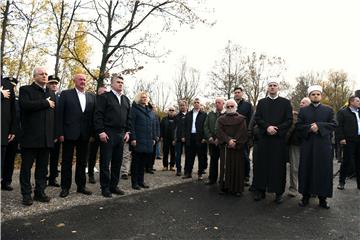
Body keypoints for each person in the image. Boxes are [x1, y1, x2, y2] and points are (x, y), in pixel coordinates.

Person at [19, 67, 56, 206]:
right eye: (41, 74)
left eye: (46, 74)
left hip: (46, 138)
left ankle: (40, 193)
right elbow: (25, 105)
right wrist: (45, 103)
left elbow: (54, 116)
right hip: (30, 137)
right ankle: (26, 195)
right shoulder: (25, 90)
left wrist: (54, 134)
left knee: (42, 168)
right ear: (34, 77)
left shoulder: (51, 92)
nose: (45, 76)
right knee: (26, 168)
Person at [296, 85, 337, 209]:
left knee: (323, 171)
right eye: (313, 94)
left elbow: (334, 124)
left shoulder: (329, 110)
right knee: (306, 170)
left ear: (321, 96)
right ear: (309, 96)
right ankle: (305, 197)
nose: (315, 96)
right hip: (308, 145)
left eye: (318, 94)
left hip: (323, 146)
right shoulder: (303, 111)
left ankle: (323, 199)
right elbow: (298, 126)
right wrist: (309, 128)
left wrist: (319, 126)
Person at [253, 80, 292, 204]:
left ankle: (278, 193)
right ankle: (260, 191)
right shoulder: (261, 102)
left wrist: (277, 129)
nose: (272, 87)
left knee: (278, 166)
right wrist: (267, 127)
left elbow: (289, 120)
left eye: (274, 85)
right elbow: (257, 118)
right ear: (267, 88)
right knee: (261, 165)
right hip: (264, 139)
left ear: (278, 88)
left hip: (278, 140)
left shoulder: (286, 103)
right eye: (270, 86)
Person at [58, 73, 96, 198]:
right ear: (74, 81)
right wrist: (60, 133)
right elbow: (60, 114)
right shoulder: (66, 94)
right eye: (80, 79)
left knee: (82, 162)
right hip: (69, 133)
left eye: (84, 79)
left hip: (85, 135)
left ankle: (81, 186)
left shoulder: (92, 96)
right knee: (67, 162)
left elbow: (93, 117)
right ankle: (65, 187)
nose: (83, 81)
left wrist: (92, 134)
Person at [94, 76, 131, 198]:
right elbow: (98, 115)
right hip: (108, 133)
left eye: (122, 82)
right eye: (118, 82)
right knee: (105, 162)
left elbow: (128, 118)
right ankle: (105, 187)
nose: (120, 84)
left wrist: (128, 132)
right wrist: (101, 131)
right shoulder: (104, 97)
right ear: (112, 84)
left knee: (117, 162)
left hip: (121, 134)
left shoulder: (126, 100)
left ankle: (114, 186)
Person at [217, 99, 248, 196]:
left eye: (232, 106)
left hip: (237, 147)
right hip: (225, 147)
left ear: (235, 107)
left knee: (237, 168)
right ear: (225, 108)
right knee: (225, 167)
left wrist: (235, 141)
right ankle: (224, 187)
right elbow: (219, 131)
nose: (230, 108)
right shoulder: (221, 119)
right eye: (228, 107)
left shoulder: (241, 119)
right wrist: (228, 140)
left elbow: (242, 131)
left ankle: (237, 189)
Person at [129, 91, 155, 190]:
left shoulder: (149, 110)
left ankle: (141, 181)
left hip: (147, 140)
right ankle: (134, 183)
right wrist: (133, 138)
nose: (144, 98)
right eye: (142, 97)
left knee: (143, 163)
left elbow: (151, 126)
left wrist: (152, 138)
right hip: (138, 140)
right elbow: (131, 125)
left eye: (145, 97)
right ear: (139, 98)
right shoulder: (134, 109)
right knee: (136, 162)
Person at [286, 97, 311, 197]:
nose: (301, 104)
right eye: (300, 102)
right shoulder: (295, 116)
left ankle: (310, 189)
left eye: (304, 103)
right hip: (295, 144)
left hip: (309, 145)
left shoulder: (313, 115)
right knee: (294, 167)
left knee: (309, 167)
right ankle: (293, 188)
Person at [336, 96, 360, 190]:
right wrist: (341, 138)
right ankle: (341, 182)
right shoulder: (343, 112)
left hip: (359, 140)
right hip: (349, 140)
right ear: (351, 102)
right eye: (358, 101)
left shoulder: (359, 112)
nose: (359, 103)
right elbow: (339, 126)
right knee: (346, 161)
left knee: (359, 162)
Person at [182, 98, 208, 180]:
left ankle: (200, 173)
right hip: (190, 137)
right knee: (189, 156)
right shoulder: (188, 114)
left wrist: (205, 137)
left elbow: (206, 127)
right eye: (195, 102)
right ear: (193, 104)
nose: (196, 104)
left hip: (200, 138)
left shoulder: (204, 114)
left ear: (200, 104)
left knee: (201, 156)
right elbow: (184, 126)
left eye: (198, 102)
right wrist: (183, 136)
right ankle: (188, 173)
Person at [87, 85, 107, 184]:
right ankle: (90, 174)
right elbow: (91, 119)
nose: (105, 94)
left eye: (106, 92)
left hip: (106, 133)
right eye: (103, 92)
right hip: (94, 134)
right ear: (98, 93)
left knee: (105, 155)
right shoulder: (94, 102)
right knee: (92, 155)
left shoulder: (108, 102)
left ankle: (104, 175)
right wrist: (91, 134)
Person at [234, 87, 253, 185]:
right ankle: (236, 176)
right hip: (232, 135)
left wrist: (249, 133)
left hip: (244, 135)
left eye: (238, 92)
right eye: (235, 92)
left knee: (245, 156)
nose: (237, 94)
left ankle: (246, 176)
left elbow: (251, 120)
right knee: (234, 157)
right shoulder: (230, 104)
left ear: (242, 93)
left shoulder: (248, 105)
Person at [203, 97, 225, 185]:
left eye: (219, 102)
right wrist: (210, 137)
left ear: (223, 104)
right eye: (216, 102)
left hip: (223, 142)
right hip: (212, 142)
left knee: (223, 162)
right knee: (213, 161)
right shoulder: (211, 114)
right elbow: (205, 126)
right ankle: (212, 179)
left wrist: (220, 138)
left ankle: (223, 180)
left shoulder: (226, 114)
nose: (217, 104)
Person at [1, 77, 17, 191]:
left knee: (7, 160)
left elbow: (14, 113)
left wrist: (13, 130)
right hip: (4, 132)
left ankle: (6, 181)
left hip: (8, 133)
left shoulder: (9, 87)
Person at [46, 75, 61, 187]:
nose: (54, 85)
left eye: (55, 83)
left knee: (55, 157)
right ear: (47, 84)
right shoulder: (44, 95)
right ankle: (43, 177)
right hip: (45, 132)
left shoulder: (61, 97)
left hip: (56, 132)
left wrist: (58, 133)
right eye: (51, 83)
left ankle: (53, 178)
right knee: (44, 157)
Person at [160, 106, 177, 171]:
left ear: (174, 111)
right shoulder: (164, 119)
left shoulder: (176, 119)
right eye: (170, 110)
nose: (171, 111)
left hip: (173, 139)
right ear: (168, 111)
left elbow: (178, 129)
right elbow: (161, 128)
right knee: (165, 152)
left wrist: (175, 139)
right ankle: (165, 166)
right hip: (165, 138)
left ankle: (172, 166)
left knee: (173, 153)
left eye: (172, 110)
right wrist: (161, 136)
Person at [174, 100, 188, 176]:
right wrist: (174, 138)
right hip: (178, 139)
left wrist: (185, 136)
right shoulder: (176, 116)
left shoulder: (189, 115)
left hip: (187, 138)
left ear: (187, 106)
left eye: (183, 105)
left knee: (188, 155)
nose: (182, 106)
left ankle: (187, 170)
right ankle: (178, 169)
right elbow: (175, 128)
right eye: (181, 105)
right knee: (178, 155)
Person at [145, 104, 160, 174]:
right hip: (148, 137)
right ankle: (147, 167)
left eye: (154, 107)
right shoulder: (147, 114)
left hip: (154, 137)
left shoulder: (156, 116)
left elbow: (157, 126)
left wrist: (157, 135)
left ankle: (151, 166)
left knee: (153, 153)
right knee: (148, 153)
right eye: (152, 107)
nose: (153, 109)